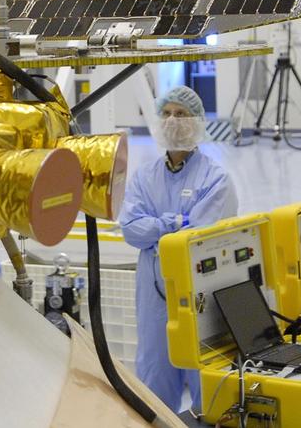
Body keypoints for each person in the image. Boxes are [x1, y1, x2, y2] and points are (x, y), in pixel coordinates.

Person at [119, 86, 238, 412]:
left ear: (197, 121)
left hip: (200, 294)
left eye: (181, 114)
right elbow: (131, 230)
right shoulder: (145, 177)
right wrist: (173, 222)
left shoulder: (216, 178)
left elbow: (198, 239)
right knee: (154, 375)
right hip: (154, 296)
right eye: (167, 113)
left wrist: (156, 229)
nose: (172, 120)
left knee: (205, 376)